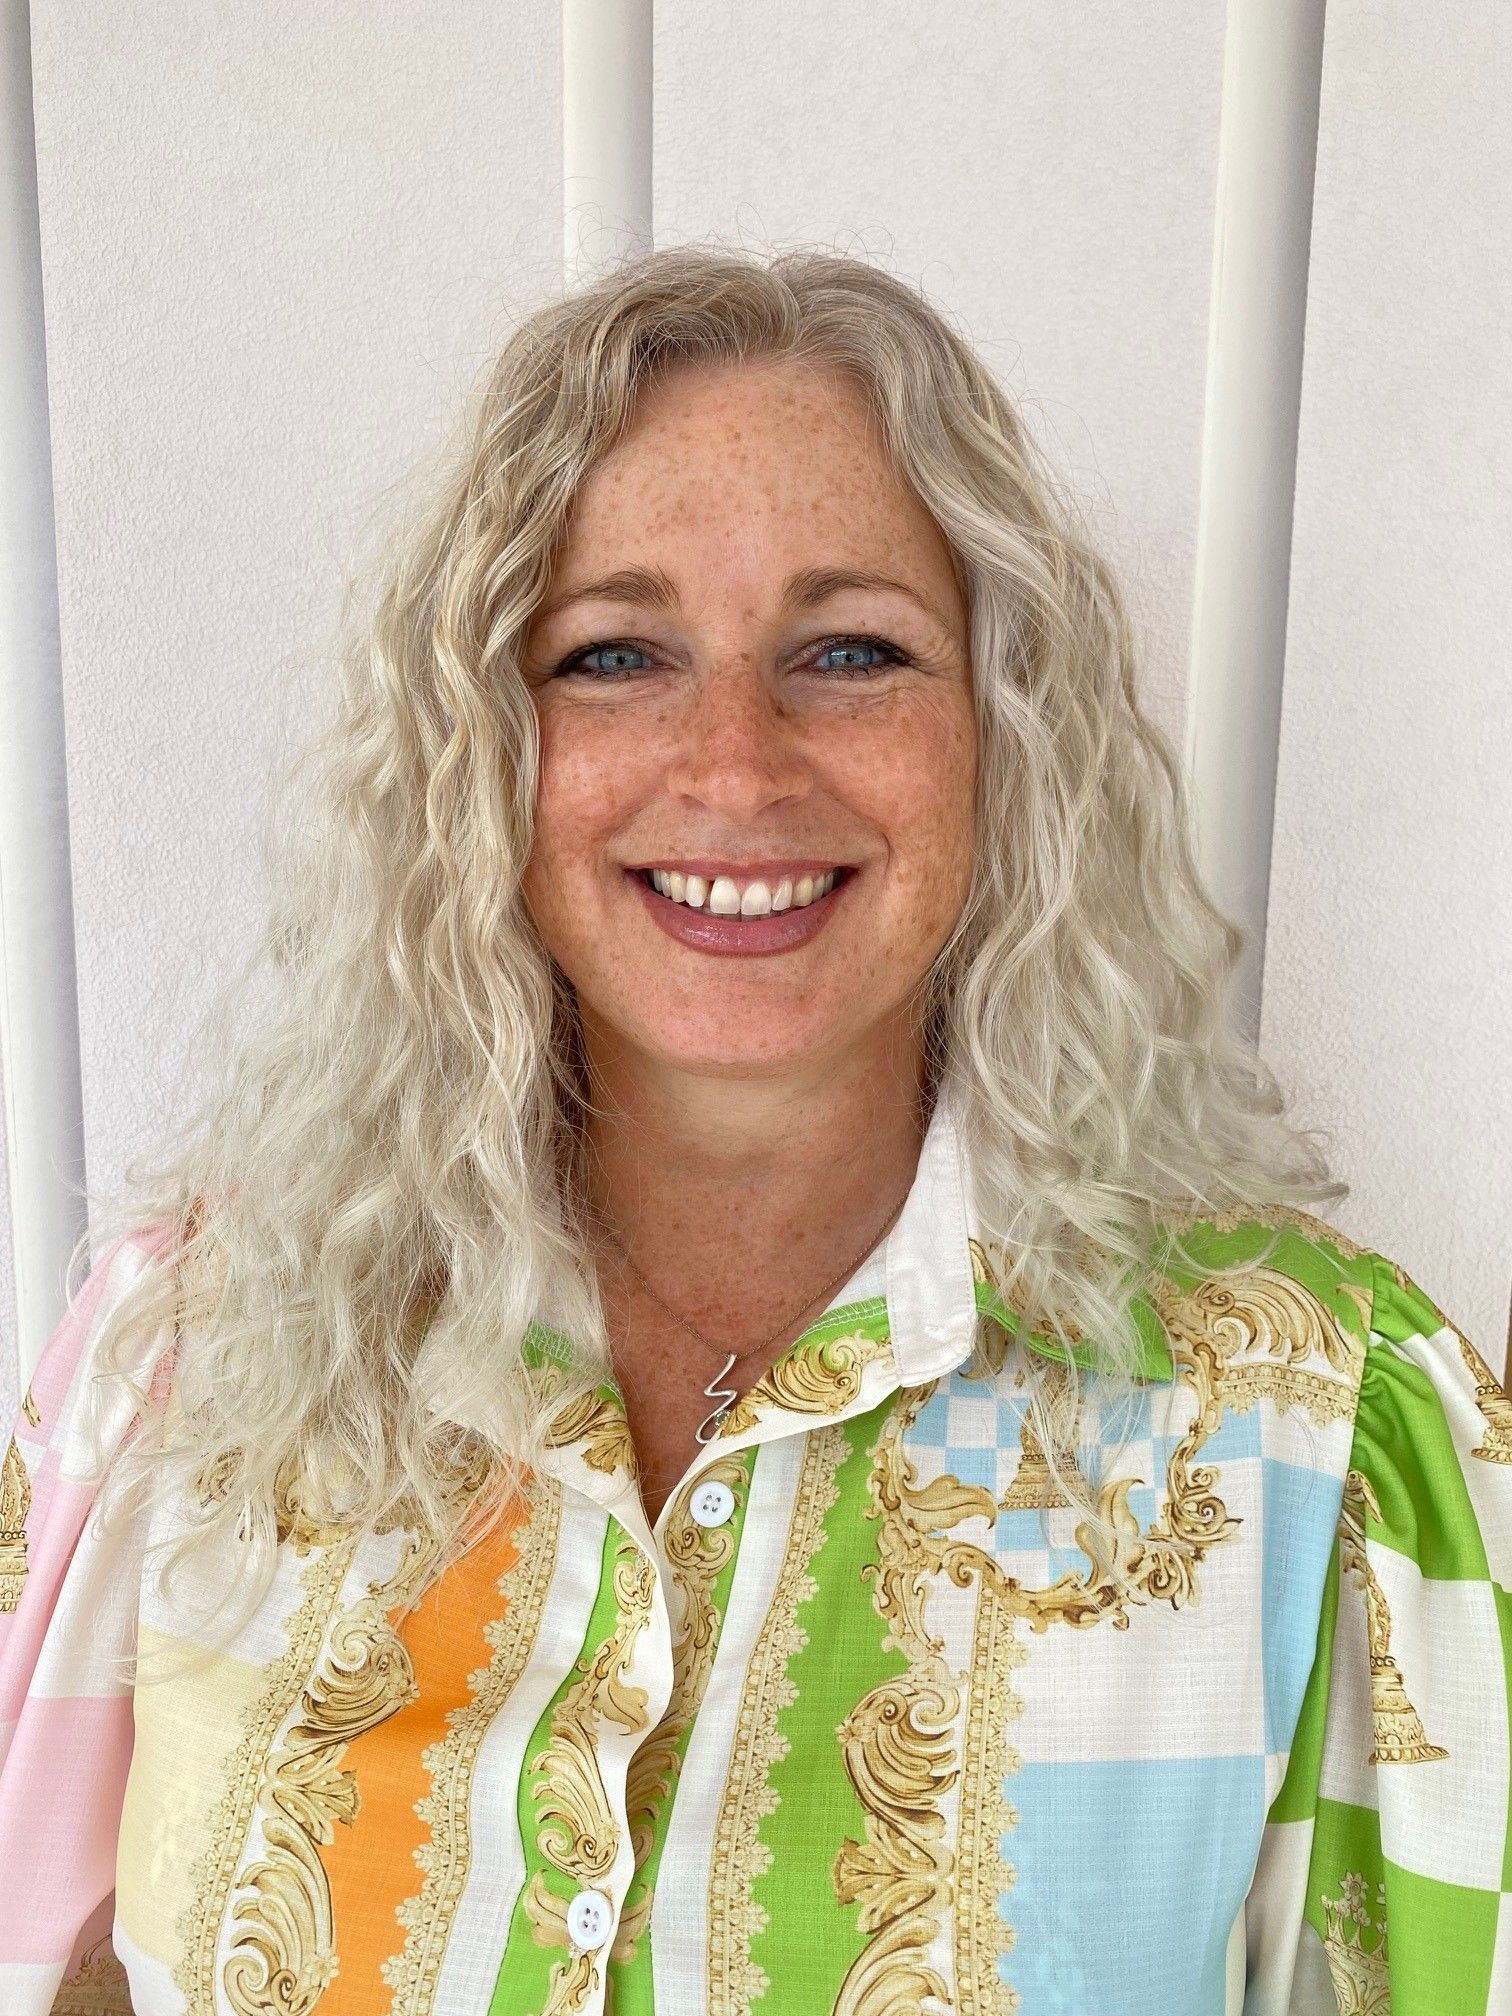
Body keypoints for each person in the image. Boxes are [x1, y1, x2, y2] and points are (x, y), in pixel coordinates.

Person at [1, 245, 1507, 2016]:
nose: (735, 763)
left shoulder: (1326, 1431)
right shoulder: (195, 1358)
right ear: (481, 744)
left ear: (1004, 741)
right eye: (615, 654)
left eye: (853, 650)